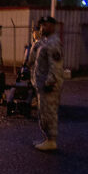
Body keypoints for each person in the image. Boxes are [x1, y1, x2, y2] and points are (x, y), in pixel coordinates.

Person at [32, 16, 64, 151]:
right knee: (44, 112)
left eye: (45, 25)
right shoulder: (45, 42)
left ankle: (51, 140)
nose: (42, 28)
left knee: (49, 112)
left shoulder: (53, 42)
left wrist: (50, 82)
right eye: (41, 25)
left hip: (48, 86)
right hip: (42, 85)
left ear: (52, 26)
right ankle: (47, 139)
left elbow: (55, 66)